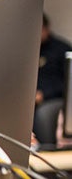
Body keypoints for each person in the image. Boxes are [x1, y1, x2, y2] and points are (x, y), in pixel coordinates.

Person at [33, 13, 71, 147]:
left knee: (44, 113)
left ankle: (45, 148)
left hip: (52, 98)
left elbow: (67, 83)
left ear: (46, 28)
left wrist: (44, 94)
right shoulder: (27, 49)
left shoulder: (62, 50)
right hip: (28, 98)